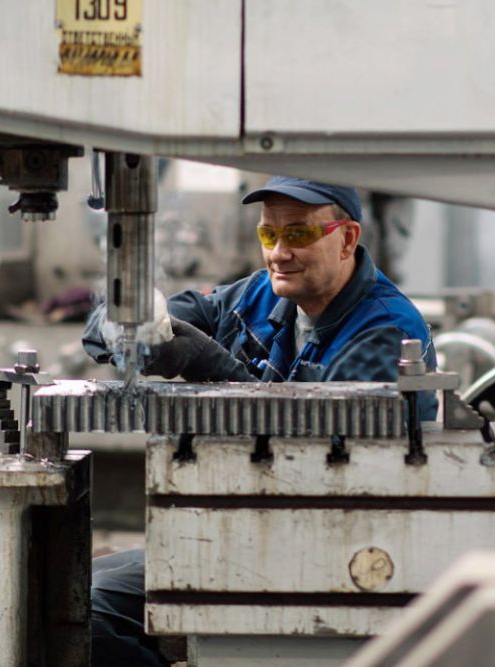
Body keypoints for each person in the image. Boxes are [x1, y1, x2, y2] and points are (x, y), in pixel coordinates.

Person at [81, 176, 437, 666]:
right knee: (71, 590)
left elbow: (320, 466)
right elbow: (109, 331)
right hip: (247, 531)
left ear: (348, 238)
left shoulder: (384, 333)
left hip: (336, 557)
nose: (278, 253)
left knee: (89, 612)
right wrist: (128, 322)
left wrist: (210, 366)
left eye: (298, 235)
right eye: (269, 236)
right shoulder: (260, 296)